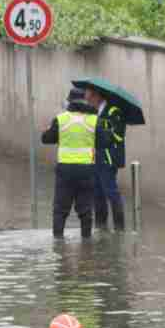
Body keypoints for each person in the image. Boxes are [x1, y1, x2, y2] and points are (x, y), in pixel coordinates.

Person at [40, 87, 98, 239]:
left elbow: (46, 139)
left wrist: (46, 131)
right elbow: (105, 141)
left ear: (69, 101)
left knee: (60, 209)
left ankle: (58, 243)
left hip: (65, 170)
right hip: (86, 170)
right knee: (85, 210)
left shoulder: (61, 119)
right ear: (85, 101)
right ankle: (86, 244)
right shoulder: (93, 120)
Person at [83, 85, 127, 233]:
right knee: (97, 192)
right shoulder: (94, 112)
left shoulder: (114, 111)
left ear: (96, 96)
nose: (88, 101)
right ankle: (101, 226)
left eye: (89, 98)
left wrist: (99, 127)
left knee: (110, 191)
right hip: (96, 157)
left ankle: (119, 228)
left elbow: (118, 135)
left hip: (109, 157)